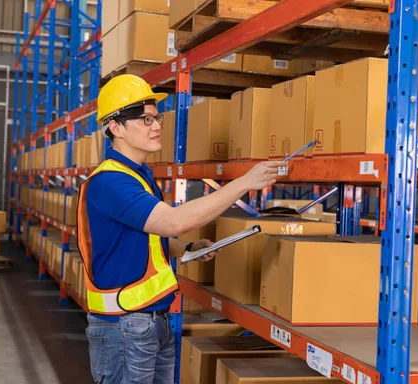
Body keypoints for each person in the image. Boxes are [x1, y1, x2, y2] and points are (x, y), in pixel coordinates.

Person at [77, 74, 283, 384]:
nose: (157, 125)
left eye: (156, 117)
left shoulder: (138, 176)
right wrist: (245, 182)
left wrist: (184, 249)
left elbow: (146, 237)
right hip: (124, 326)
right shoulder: (110, 182)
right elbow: (174, 222)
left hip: (150, 322)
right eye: (145, 119)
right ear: (115, 127)